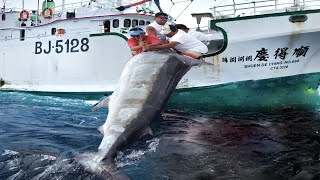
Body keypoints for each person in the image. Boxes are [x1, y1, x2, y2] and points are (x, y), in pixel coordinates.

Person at [143, 24, 208, 59]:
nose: (166, 34)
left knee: (183, 60)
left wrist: (151, 48)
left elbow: (169, 45)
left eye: (167, 33)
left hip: (197, 49)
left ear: (173, 31)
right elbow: (165, 43)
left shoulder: (180, 35)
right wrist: (151, 46)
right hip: (186, 50)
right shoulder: (172, 34)